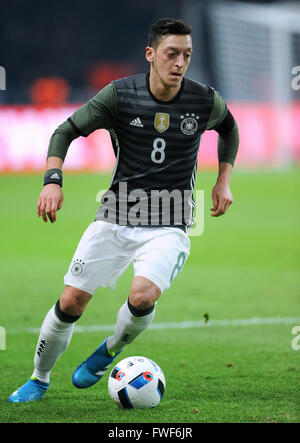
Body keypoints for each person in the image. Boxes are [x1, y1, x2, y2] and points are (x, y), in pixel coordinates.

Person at [9, 18, 239, 403]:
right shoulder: (119, 95)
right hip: (115, 217)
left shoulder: (203, 100)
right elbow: (65, 130)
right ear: (150, 54)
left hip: (170, 223)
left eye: (187, 55)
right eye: (171, 54)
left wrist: (223, 179)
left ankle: (110, 349)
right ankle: (39, 378)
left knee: (143, 295)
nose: (180, 62)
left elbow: (229, 128)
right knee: (70, 302)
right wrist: (52, 179)